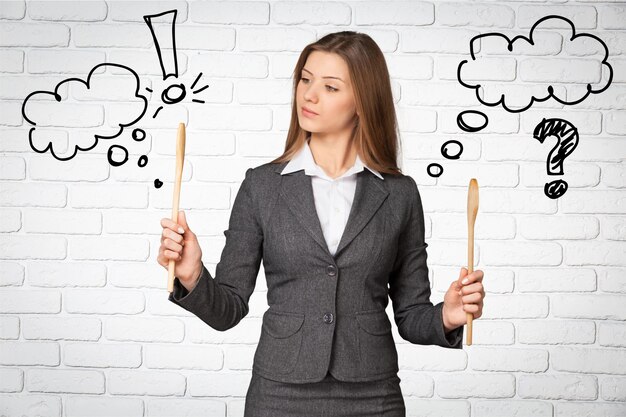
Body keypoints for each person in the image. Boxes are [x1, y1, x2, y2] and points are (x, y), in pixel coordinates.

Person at [158, 31, 485, 417]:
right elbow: (227, 310)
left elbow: (411, 315)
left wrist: (447, 316)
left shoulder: (400, 194)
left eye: (330, 87)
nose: (309, 95)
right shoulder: (261, 186)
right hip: (279, 393)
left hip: (373, 395)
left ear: (363, 102)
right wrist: (193, 276)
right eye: (305, 79)